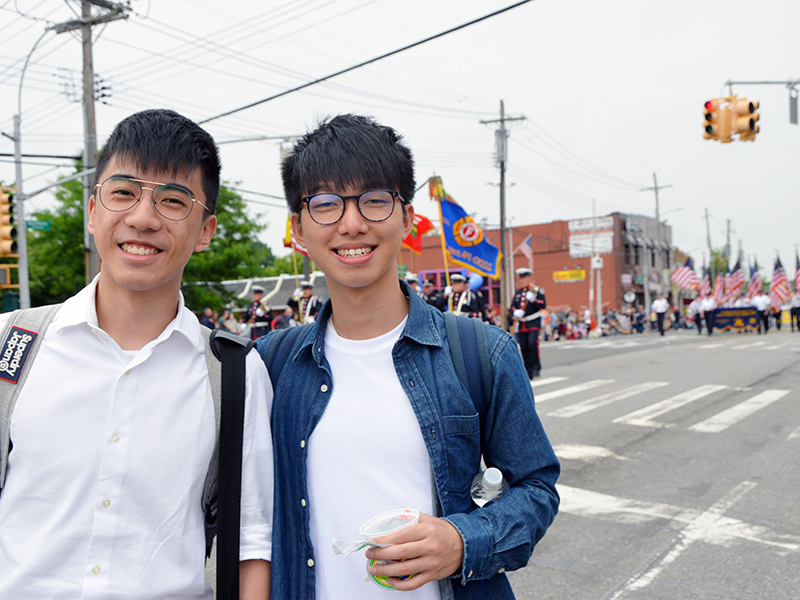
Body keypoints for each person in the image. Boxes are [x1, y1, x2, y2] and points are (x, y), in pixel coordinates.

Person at [261, 114, 559, 599]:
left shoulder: (482, 352)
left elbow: (537, 489)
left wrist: (462, 540)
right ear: (298, 227)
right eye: (326, 204)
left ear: (406, 218)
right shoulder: (269, 364)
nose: (352, 223)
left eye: (375, 201)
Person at [0, 109, 273, 599]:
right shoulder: (11, 345)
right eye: (123, 192)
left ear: (206, 231)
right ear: (92, 210)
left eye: (173, 201)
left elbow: (251, 539)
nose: (143, 218)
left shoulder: (233, 372)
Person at [509, 268, 546, 379]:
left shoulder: (537, 290)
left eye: (525, 277)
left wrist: (534, 299)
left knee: (532, 343)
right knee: (524, 346)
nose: (523, 280)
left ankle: (536, 367)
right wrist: (515, 311)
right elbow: (512, 306)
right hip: (522, 323)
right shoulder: (518, 292)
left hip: (533, 322)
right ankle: (527, 369)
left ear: (530, 278)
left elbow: (543, 304)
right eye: (521, 278)